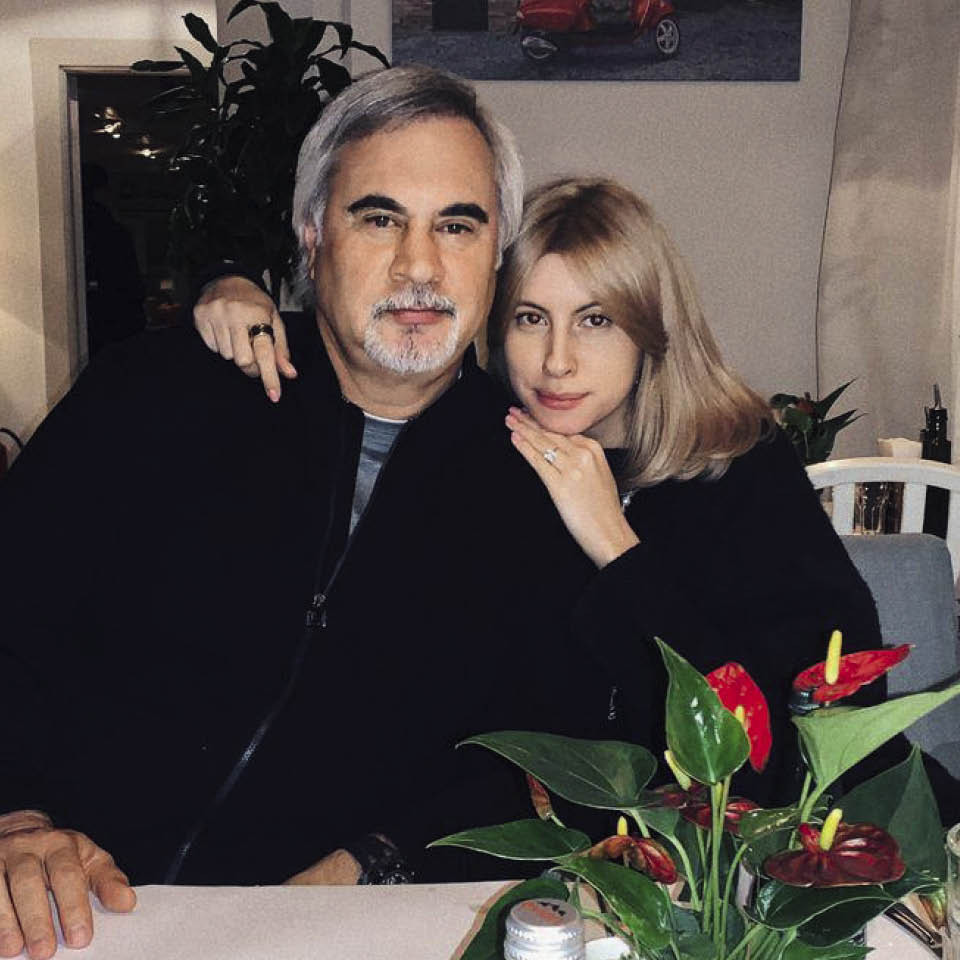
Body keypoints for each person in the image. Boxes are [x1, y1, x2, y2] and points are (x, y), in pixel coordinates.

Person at [2, 66, 610, 960]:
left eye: (457, 224)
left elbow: (528, 758)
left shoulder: (541, 486)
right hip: (69, 910)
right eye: (380, 218)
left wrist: (372, 863)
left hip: (344, 933)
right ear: (312, 234)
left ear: (497, 253)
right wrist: (17, 815)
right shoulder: (152, 394)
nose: (419, 266)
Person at [197, 175, 893, 811]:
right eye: (531, 318)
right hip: (572, 861)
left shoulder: (740, 465)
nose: (557, 361)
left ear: (650, 330)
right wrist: (232, 288)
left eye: (596, 320)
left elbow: (785, 750)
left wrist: (617, 549)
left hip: (789, 843)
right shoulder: (488, 456)